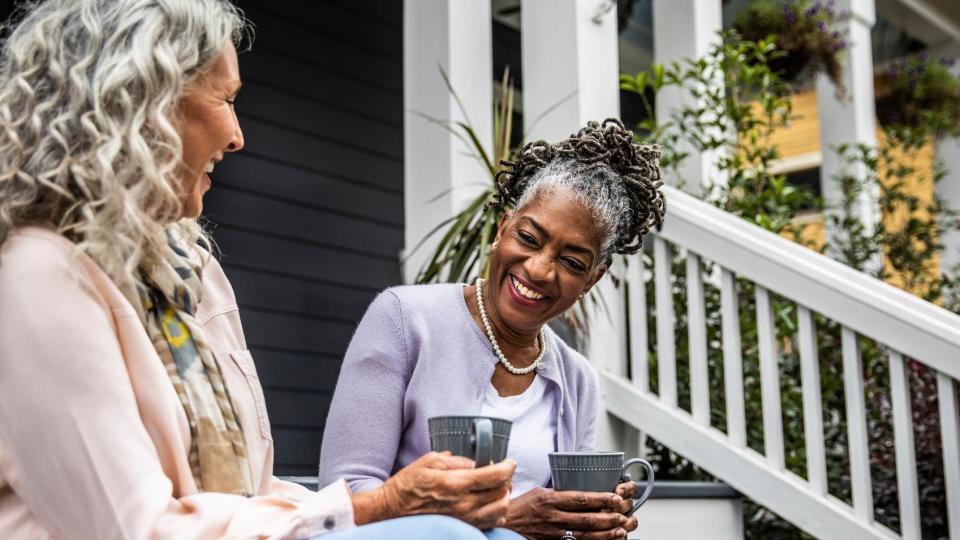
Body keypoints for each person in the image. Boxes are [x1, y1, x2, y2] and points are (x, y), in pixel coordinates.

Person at [0, 1, 522, 538]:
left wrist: (389, 502)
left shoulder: (188, 270)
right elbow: (134, 528)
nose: (236, 137)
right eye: (226, 99)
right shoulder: (39, 272)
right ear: (136, 103)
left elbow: (254, 492)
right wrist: (375, 506)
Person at [319, 119, 667, 539]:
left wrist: (587, 524)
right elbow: (344, 497)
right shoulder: (404, 319)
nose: (539, 270)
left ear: (592, 279)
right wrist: (500, 519)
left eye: (573, 263)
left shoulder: (577, 381)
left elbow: (557, 525)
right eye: (528, 237)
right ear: (503, 229)